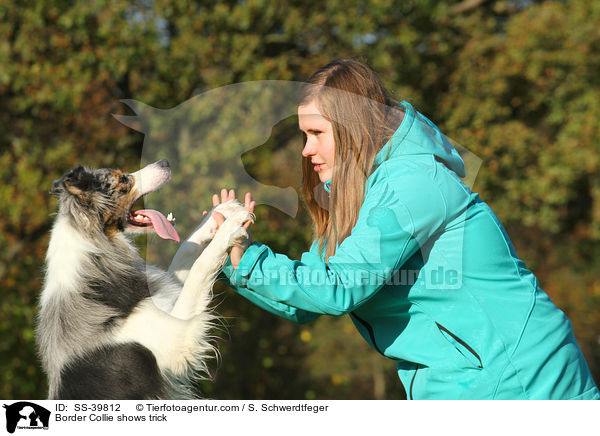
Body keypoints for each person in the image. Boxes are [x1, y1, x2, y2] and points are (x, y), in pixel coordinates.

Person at [207, 58, 599, 399]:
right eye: (303, 136)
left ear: (352, 127)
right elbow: (306, 300)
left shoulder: (413, 184)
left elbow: (340, 286)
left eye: (317, 134)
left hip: (521, 381)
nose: (306, 150)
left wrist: (251, 262)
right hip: (463, 382)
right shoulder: (351, 197)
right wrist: (231, 254)